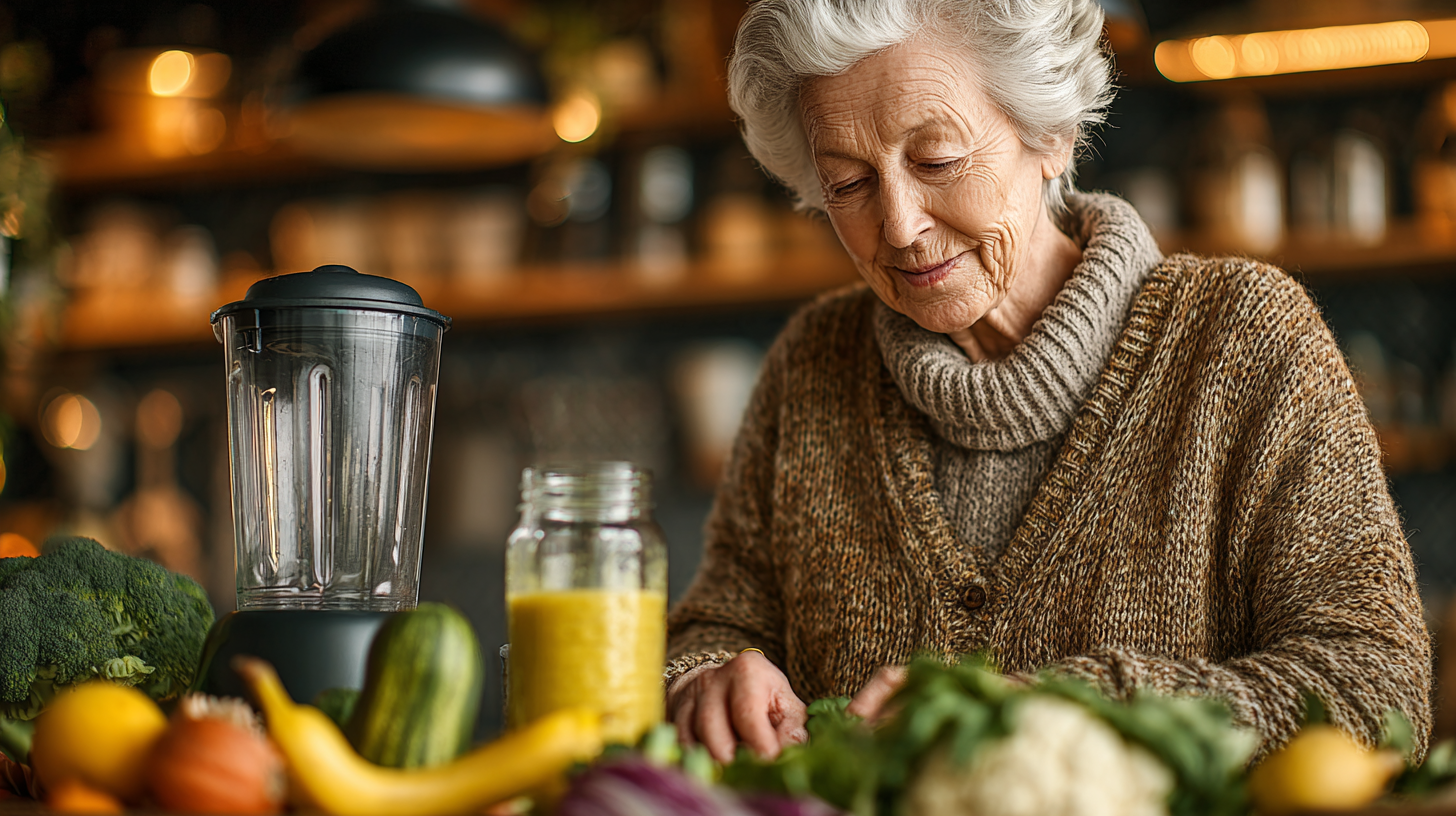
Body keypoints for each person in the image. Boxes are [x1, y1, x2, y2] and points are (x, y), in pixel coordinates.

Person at [664, 0, 1432, 765]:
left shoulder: (1246, 340)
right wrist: (703, 677)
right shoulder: (812, 364)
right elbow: (718, 625)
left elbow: (1373, 690)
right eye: (847, 183)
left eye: (936, 161)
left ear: (1051, 136)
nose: (898, 225)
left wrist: (1073, 714)